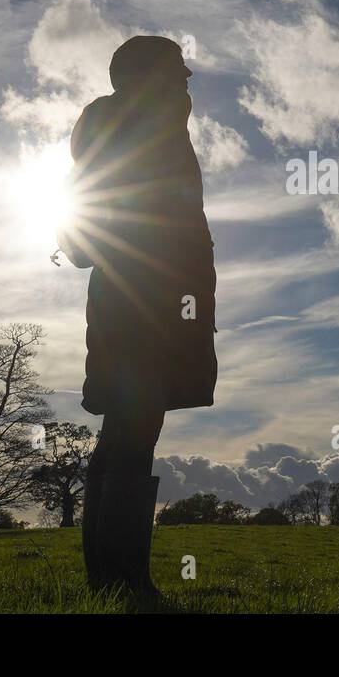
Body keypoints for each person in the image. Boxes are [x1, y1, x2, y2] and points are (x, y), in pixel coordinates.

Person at [56, 35, 217, 596]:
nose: (188, 79)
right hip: (143, 300)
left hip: (138, 298)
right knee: (134, 426)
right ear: (148, 75)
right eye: (178, 69)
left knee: (125, 428)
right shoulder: (143, 120)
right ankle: (123, 580)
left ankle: (110, 579)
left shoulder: (121, 123)